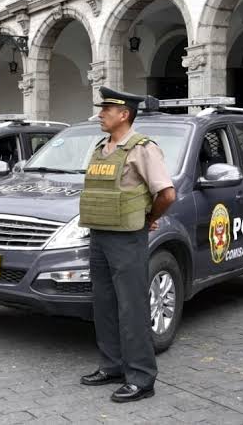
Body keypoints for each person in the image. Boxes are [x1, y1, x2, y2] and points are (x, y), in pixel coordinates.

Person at [78, 86, 176, 403]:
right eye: (101, 109)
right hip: (100, 234)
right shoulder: (100, 147)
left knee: (131, 307)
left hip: (127, 237)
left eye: (106, 110)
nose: (100, 114)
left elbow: (167, 194)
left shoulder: (143, 149)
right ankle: (112, 367)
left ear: (124, 114)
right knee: (104, 304)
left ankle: (142, 377)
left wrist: (149, 218)